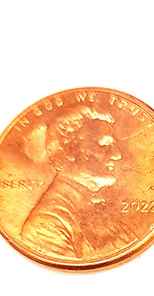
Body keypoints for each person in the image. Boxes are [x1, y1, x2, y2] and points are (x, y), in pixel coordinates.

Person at [21, 107, 137, 259]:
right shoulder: (46, 227)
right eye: (105, 145)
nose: (117, 155)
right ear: (70, 151)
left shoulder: (101, 215)